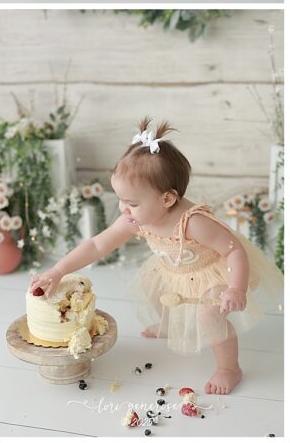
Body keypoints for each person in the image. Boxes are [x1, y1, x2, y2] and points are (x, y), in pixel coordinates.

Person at [30, 119, 283, 396]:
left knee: (209, 314)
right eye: (120, 199)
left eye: (132, 203)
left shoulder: (194, 222)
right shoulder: (134, 219)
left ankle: (229, 368)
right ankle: (167, 325)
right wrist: (58, 270)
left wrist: (235, 287)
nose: (123, 209)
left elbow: (234, 250)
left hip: (214, 270)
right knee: (154, 288)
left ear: (167, 199)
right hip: (173, 268)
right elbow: (96, 245)